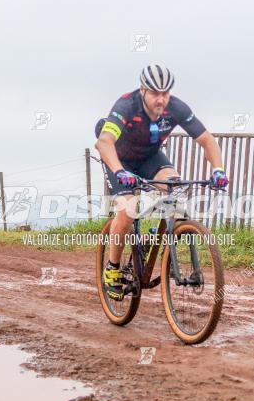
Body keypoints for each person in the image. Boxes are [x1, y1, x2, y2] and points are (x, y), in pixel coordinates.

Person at [94, 64, 229, 299]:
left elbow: (207, 140)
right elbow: (104, 142)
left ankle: (152, 239)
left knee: (175, 190)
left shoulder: (175, 108)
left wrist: (218, 169)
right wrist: (118, 171)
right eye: (155, 93)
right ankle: (112, 268)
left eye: (165, 93)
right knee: (128, 210)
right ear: (142, 90)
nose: (161, 99)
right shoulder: (126, 105)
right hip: (120, 160)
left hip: (150, 158)